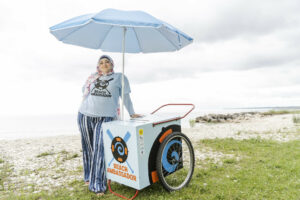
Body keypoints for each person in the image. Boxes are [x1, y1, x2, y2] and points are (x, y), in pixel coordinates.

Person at [77, 55, 141, 196]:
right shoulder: (92, 77)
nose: (104, 64)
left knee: (100, 150)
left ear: (112, 64)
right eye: (101, 62)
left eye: (107, 62)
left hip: (106, 117)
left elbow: (126, 97)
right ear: (98, 66)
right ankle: (88, 177)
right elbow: (84, 91)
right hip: (85, 115)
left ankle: (97, 185)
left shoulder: (120, 77)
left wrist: (132, 113)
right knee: (88, 148)